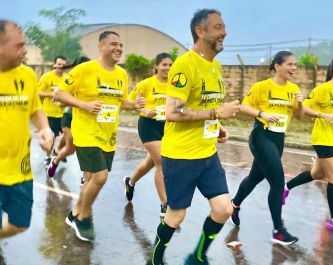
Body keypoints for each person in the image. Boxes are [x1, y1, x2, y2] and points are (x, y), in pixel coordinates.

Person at [146, 9, 240, 265]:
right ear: (201, 31)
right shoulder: (184, 65)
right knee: (176, 217)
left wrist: (217, 125)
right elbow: (173, 112)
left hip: (208, 154)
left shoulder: (216, 66)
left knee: (223, 209)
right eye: (218, 27)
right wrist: (217, 112)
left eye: (224, 26)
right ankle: (154, 259)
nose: (225, 32)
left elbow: (205, 105)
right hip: (181, 156)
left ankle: (198, 255)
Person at [56, 31, 145, 241]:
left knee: (89, 178)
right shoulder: (84, 69)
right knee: (100, 177)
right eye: (114, 44)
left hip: (108, 135)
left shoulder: (121, 75)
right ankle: (83, 218)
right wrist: (84, 105)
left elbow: (120, 101)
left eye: (121, 45)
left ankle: (75, 211)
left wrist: (133, 105)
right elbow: (60, 93)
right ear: (101, 47)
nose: (118, 48)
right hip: (85, 132)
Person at [229, 51, 303, 246]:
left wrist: (301, 103)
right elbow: (244, 107)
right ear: (277, 66)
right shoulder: (262, 87)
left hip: (279, 139)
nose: (294, 68)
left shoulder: (294, 89)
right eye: (290, 64)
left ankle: (234, 204)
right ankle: (278, 230)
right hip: (261, 136)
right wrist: (263, 113)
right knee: (278, 183)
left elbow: (301, 116)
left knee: (255, 177)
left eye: (296, 65)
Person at [283, 55, 333, 233]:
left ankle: (285, 188)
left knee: (316, 173)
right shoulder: (322, 89)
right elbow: (304, 108)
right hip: (322, 139)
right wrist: (323, 116)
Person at [0, 20, 53, 239]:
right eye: (19, 46)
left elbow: (35, 109)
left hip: (20, 170)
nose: (25, 51)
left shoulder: (28, 76)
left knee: (20, 224)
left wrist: (45, 129)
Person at [123, 53, 173, 217]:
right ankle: (165, 205)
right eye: (164, 64)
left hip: (167, 126)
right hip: (148, 125)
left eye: (170, 65)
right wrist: (145, 110)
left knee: (151, 161)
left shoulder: (175, 85)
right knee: (161, 162)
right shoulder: (146, 84)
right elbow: (132, 102)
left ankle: (130, 182)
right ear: (157, 66)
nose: (167, 68)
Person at [47, 56, 91, 178]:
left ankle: (84, 176)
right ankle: (55, 161)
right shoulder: (72, 79)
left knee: (87, 148)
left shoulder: (93, 81)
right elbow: (61, 99)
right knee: (71, 148)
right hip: (69, 117)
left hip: (86, 121)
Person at [38, 55, 67, 167]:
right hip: (50, 113)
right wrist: (51, 94)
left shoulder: (67, 78)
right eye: (59, 65)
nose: (61, 67)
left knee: (69, 136)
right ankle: (48, 157)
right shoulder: (47, 77)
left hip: (64, 112)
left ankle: (58, 151)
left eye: (63, 65)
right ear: (54, 65)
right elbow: (39, 92)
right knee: (52, 136)